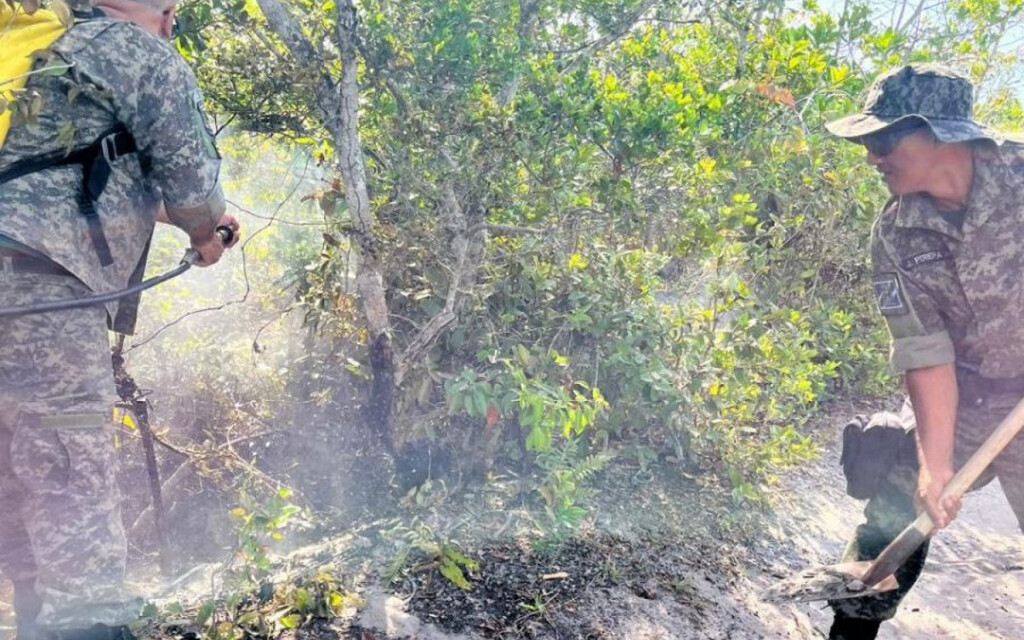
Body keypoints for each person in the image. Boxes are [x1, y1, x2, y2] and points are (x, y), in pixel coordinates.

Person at [0, 1, 239, 638]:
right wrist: (205, 227)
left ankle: (37, 620)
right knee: (69, 461)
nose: (170, 26)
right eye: (169, 13)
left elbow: (64, 174)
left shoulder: (34, 58)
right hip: (39, 289)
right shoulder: (133, 50)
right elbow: (192, 182)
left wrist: (182, 216)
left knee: (14, 471)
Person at [823, 63, 1024, 639]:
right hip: (966, 397)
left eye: (883, 139)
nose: (871, 156)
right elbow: (925, 352)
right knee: (893, 511)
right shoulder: (895, 234)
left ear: (939, 133)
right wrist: (935, 469)